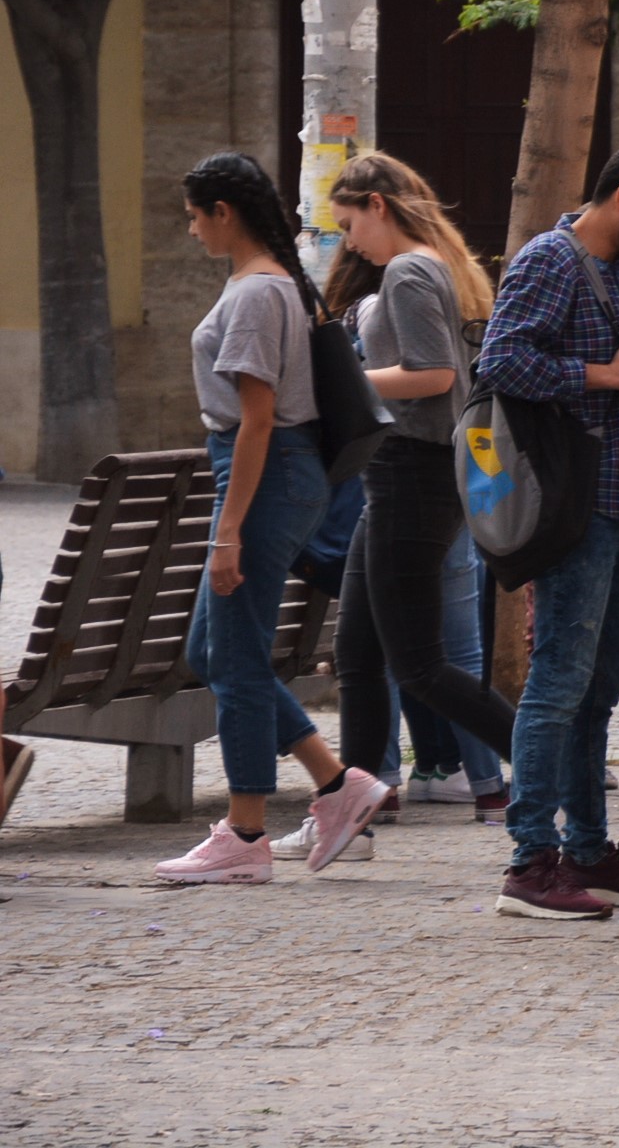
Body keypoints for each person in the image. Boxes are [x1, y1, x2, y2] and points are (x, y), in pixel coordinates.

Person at [478, 136, 619, 921]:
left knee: (600, 687)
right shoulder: (551, 258)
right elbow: (500, 362)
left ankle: (586, 849)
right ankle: (530, 858)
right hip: (570, 504)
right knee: (560, 680)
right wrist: (600, 374)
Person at [152, 153, 391, 884]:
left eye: (195, 215)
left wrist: (228, 531)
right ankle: (336, 781)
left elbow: (257, 421)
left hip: (263, 471)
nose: (190, 229)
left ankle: (246, 833)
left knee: (236, 655)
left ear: (225, 212)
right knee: (214, 650)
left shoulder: (258, 294)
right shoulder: (272, 284)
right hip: (275, 473)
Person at [319, 154, 519, 866]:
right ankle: (348, 817)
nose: (349, 242)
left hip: (412, 472)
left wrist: (339, 384)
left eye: (349, 225)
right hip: (406, 474)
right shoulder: (444, 262)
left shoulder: (408, 269)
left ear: (378, 205)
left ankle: (547, 765)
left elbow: (433, 374)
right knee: (359, 654)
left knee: (420, 665)